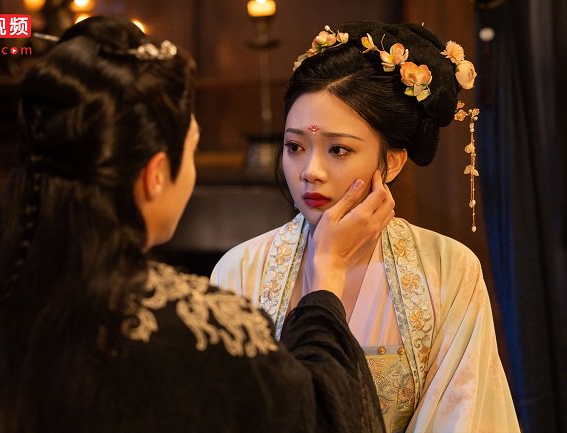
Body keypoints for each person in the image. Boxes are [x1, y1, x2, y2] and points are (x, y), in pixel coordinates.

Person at [0, 16, 391, 433]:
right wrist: (326, 279)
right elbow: (324, 418)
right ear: (156, 175)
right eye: (192, 149)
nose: (311, 171)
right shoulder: (206, 329)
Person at [211, 21, 520, 433]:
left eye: (338, 149)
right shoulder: (240, 271)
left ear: (391, 161)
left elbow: (465, 418)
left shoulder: (447, 270)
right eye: (295, 146)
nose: (310, 171)